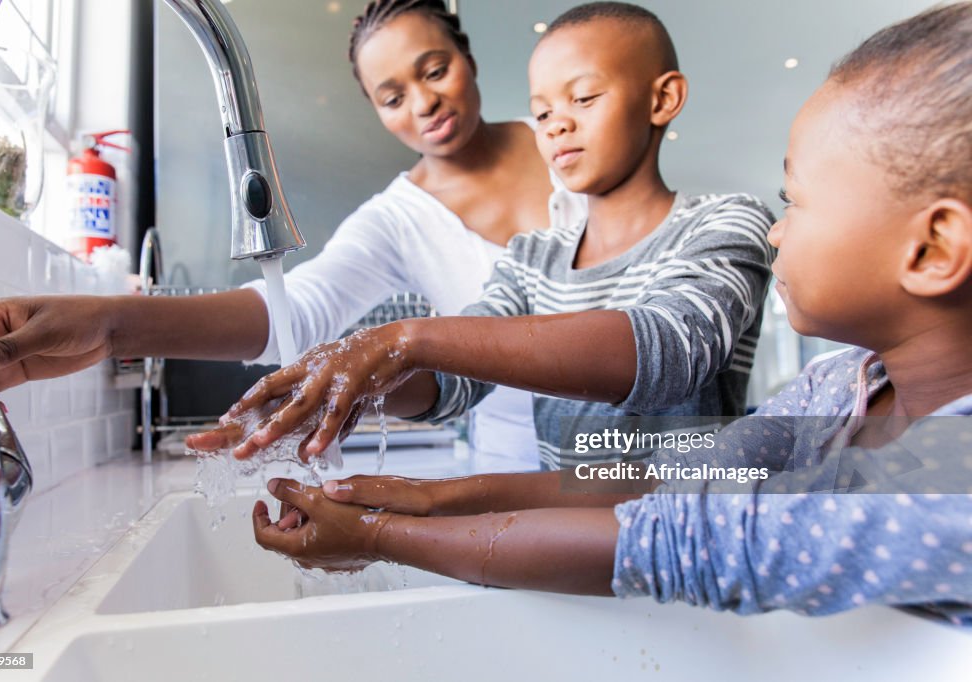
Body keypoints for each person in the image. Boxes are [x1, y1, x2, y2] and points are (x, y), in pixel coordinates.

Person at [229, 3, 972, 625]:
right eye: (544, 109)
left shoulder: (951, 471)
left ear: (933, 248)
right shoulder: (842, 388)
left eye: (796, 201)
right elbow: (663, 474)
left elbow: (680, 525)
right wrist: (430, 496)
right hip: (605, 577)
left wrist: (383, 531)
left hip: (655, 595)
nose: (780, 229)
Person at [0, 0, 588, 472]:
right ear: (374, 108)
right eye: (393, 96)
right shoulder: (399, 219)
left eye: (436, 70)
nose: (424, 102)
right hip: (515, 465)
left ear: (468, 59)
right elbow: (292, 311)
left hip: (652, 445)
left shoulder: (572, 145)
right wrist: (111, 324)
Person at [188, 2, 775, 471]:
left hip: (695, 548)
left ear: (663, 97)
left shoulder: (727, 222)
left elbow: (667, 349)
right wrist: (344, 384)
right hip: (563, 527)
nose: (558, 124)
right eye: (541, 113)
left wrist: (405, 339)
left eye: (584, 98)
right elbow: (451, 380)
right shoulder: (531, 259)